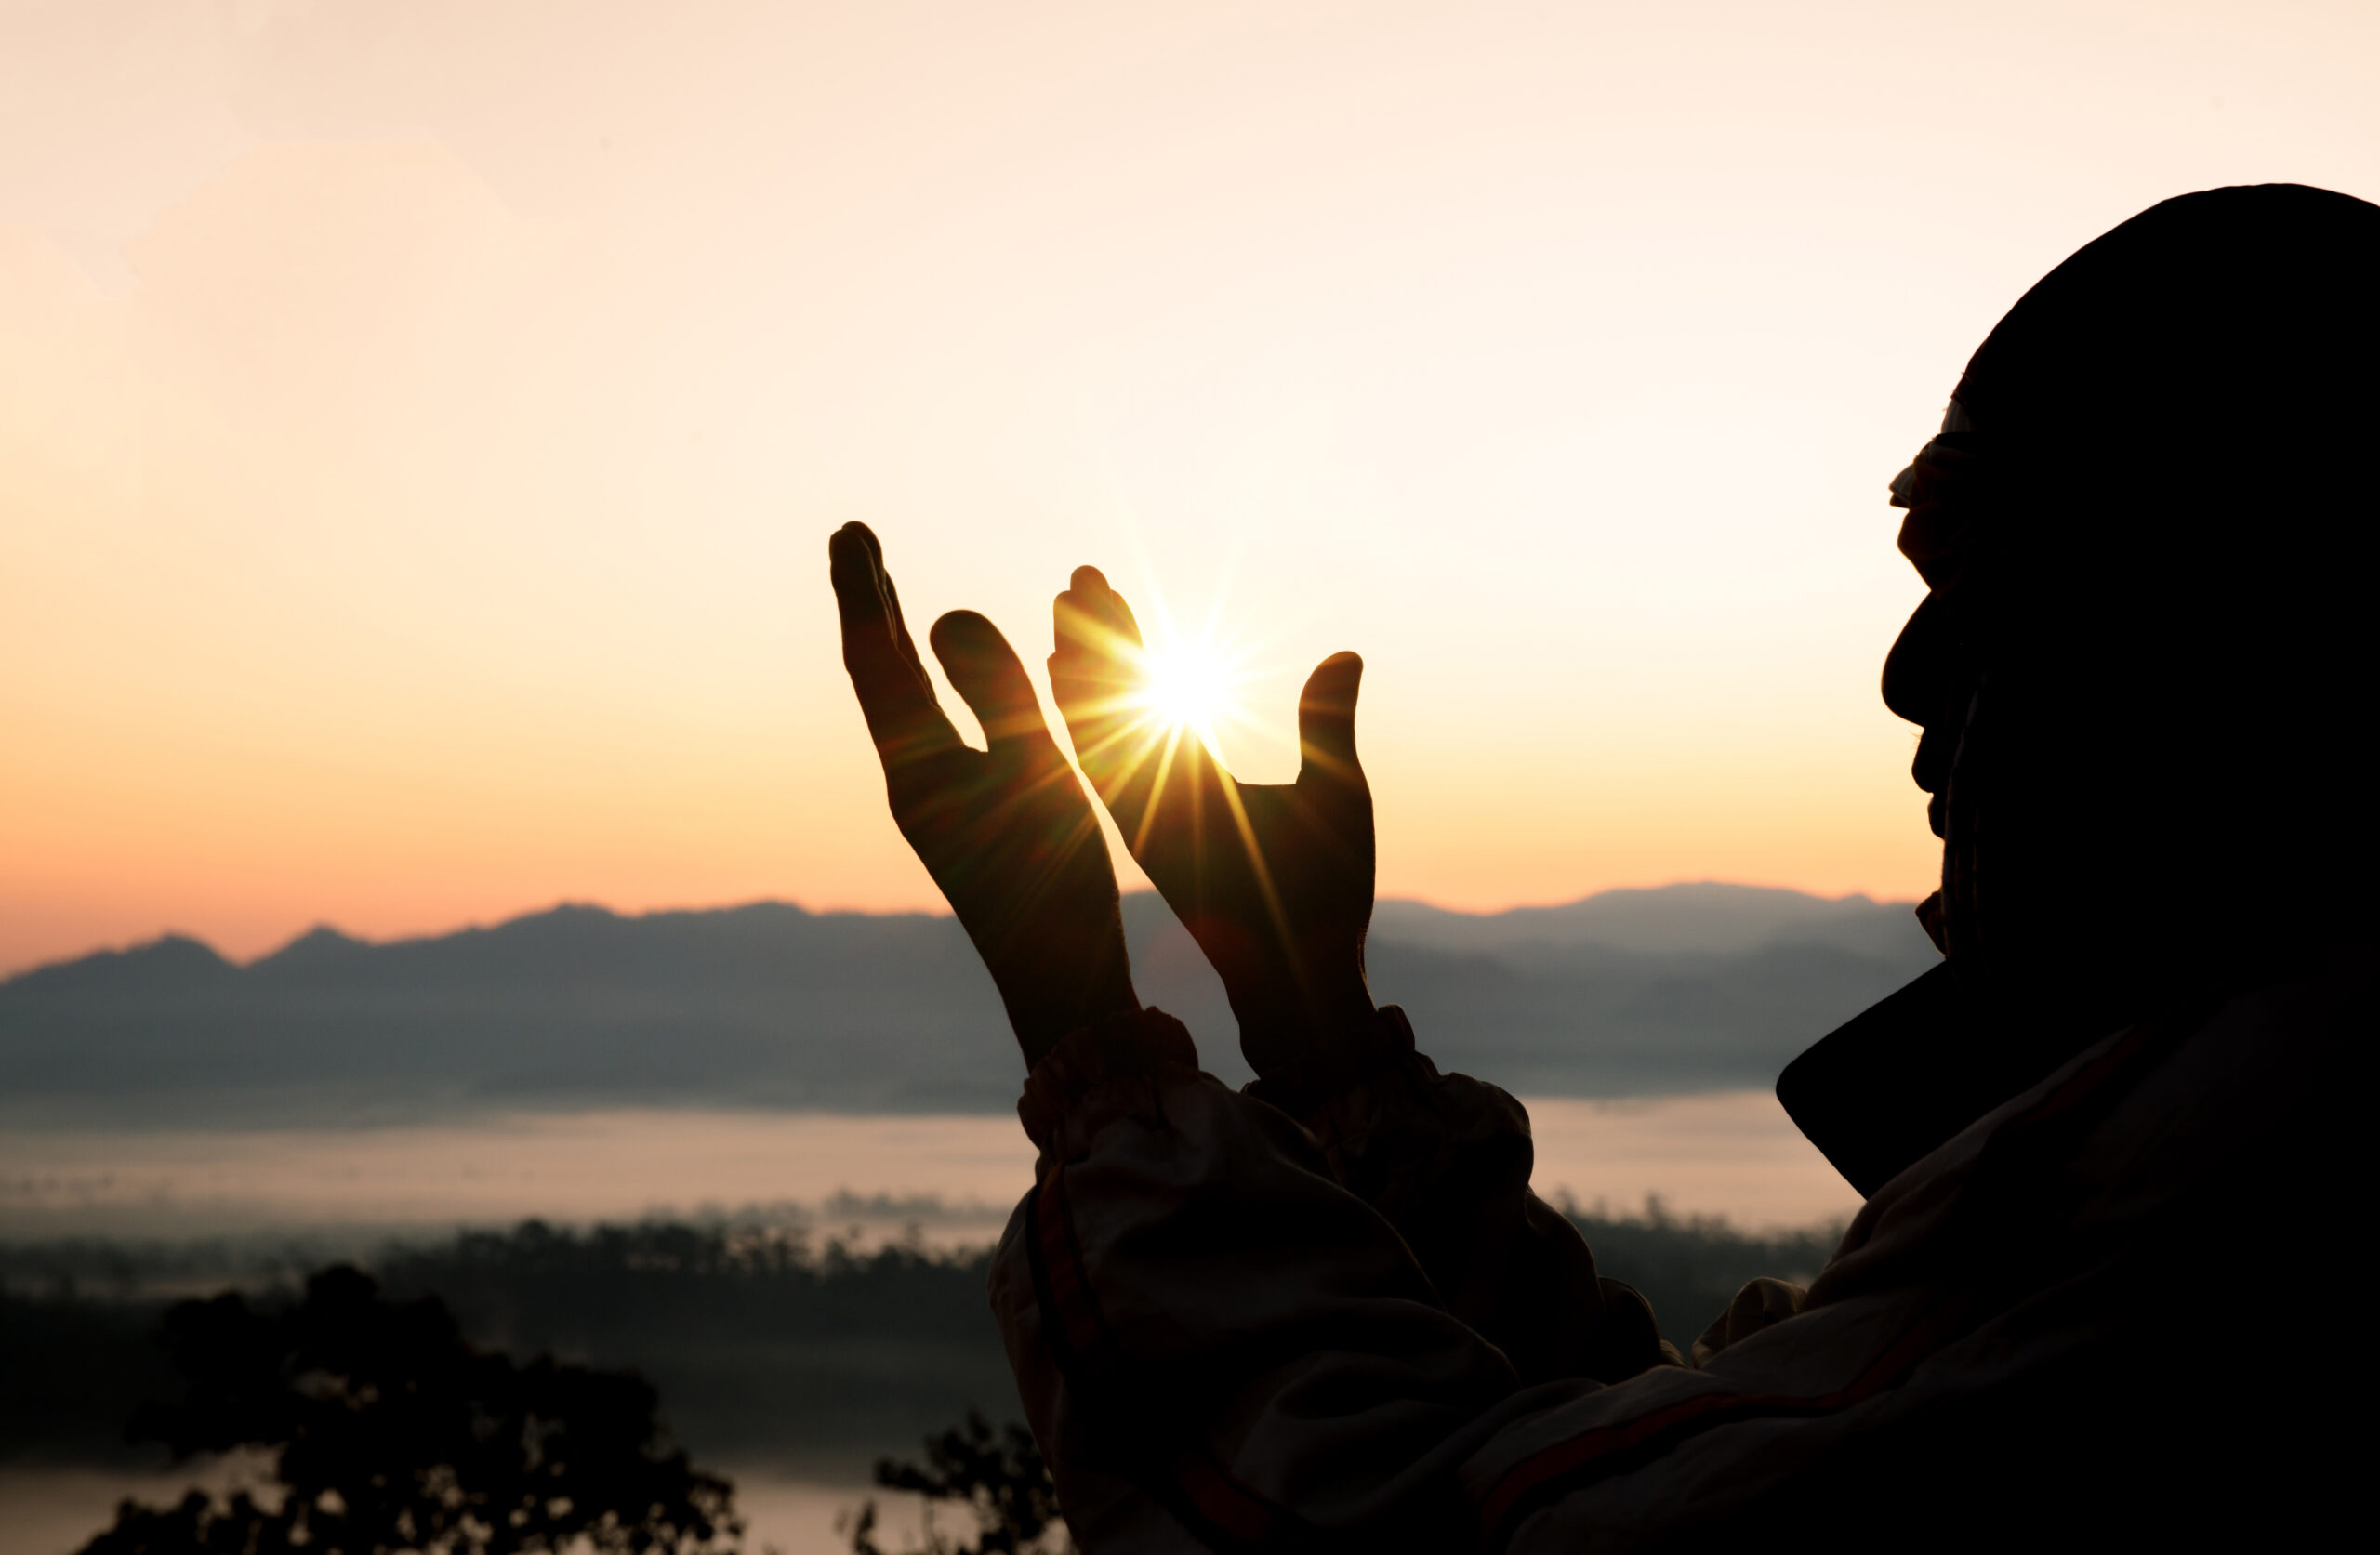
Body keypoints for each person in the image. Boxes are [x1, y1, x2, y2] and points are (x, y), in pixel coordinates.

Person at [828, 184, 2373, 1551]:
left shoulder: (2219, 1174)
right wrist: (1312, 1028)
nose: (1909, 672)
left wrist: (1093, 1058)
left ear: (2238, 614)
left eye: (1984, 570)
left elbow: (1437, 1523)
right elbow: (1646, 1446)